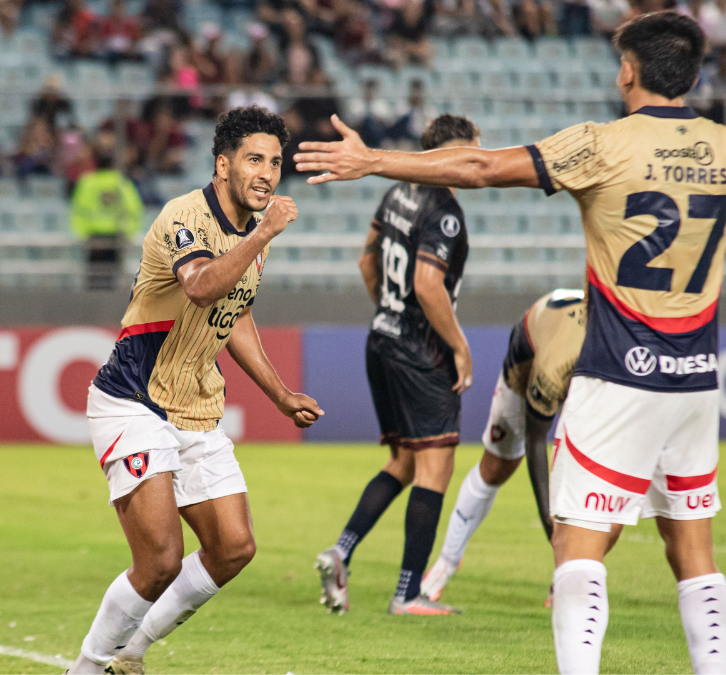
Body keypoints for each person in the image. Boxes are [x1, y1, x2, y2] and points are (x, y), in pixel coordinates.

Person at [292, 11, 726, 673]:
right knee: (692, 549)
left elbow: (476, 168)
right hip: (694, 385)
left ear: (628, 71)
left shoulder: (600, 143)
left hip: (617, 375)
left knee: (578, 548)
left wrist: (372, 159)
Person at [68, 107, 324, 674]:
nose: (266, 173)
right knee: (158, 559)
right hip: (133, 399)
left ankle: (131, 653)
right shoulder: (184, 216)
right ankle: (85, 670)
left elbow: (234, 314)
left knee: (233, 547)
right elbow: (205, 287)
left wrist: (280, 395)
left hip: (195, 407)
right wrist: (264, 232)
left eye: (276, 162)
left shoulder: (253, 233)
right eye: (255, 159)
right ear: (222, 163)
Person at [313, 115, 478, 617]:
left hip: (380, 339)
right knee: (436, 466)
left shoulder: (398, 192)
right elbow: (428, 286)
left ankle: (340, 552)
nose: (478, 163)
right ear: (452, 154)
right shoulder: (444, 210)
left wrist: (388, 312)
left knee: (404, 463)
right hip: (419, 351)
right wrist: (460, 347)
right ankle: (407, 593)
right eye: (472, 152)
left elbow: (367, 261)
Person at [422, 288, 610, 605]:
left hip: (572, 345)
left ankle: (569, 574)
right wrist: (550, 524)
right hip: (531, 345)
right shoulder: (554, 368)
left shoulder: (628, 359)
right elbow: (537, 442)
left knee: (592, 475)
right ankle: (445, 564)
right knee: (497, 466)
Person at [70, 151, 144, 291]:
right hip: (115, 234)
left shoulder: (87, 182)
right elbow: (133, 209)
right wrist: (129, 231)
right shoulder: (121, 183)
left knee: (94, 275)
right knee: (112, 275)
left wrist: (81, 233)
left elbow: (79, 209)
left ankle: (92, 306)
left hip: (94, 235)